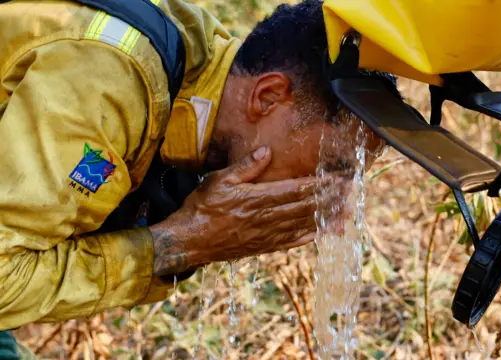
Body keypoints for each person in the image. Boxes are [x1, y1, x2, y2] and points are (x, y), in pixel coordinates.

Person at [0, 0, 394, 342]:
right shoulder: (110, 85)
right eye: (331, 165)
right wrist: (184, 242)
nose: (335, 200)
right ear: (268, 96)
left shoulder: (206, 78)